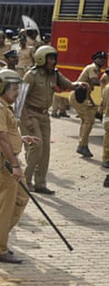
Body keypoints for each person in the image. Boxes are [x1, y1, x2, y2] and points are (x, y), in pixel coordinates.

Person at [0, 69, 40, 264]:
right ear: (2, 88)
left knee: (21, 199)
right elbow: (1, 140)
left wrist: (20, 138)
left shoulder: (5, 107)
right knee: (5, 207)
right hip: (3, 164)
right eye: (14, 88)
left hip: (9, 161)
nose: (17, 92)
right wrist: (16, 166)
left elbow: (7, 135)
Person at [20, 46, 89, 194]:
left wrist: (79, 84)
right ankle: (26, 181)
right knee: (36, 147)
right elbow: (20, 99)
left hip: (45, 116)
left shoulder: (55, 75)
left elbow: (68, 85)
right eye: (50, 58)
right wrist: (26, 120)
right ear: (41, 59)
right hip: (31, 114)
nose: (53, 61)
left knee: (45, 150)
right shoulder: (31, 75)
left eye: (54, 58)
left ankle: (40, 184)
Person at [69, 51, 106, 158]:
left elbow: (88, 89)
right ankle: (82, 146)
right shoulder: (92, 68)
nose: (102, 61)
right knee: (89, 120)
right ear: (95, 59)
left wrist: (92, 103)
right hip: (77, 96)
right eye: (100, 59)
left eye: (103, 59)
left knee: (86, 120)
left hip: (82, 96)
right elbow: (95, 82)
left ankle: (82, 144)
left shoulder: (96, 69)